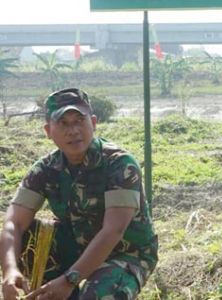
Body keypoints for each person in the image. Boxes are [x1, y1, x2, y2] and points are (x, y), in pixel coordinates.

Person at [1, 88, 158, 300]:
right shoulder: (46, 169)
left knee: (97, 295)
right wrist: (9, 270)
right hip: (77, 246)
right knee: (26, 234)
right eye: (63, 123)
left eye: (78, 121)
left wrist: (69, 280)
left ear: (93, 123)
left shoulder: (119, 164)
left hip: (126, 253)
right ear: (48, 131)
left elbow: (113, 230)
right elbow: (14, 223)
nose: (73, 130)